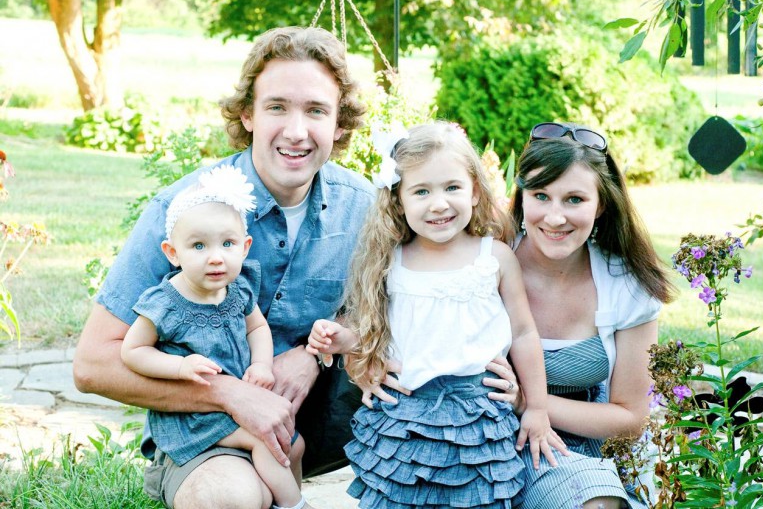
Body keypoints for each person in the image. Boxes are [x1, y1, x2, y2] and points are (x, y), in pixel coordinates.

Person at [73, 26, 374, 509]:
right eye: (277, 107)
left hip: (323, 429)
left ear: (340, 123)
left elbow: (409, 305)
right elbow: (92, 365)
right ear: (247, 114)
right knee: (229, 498)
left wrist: (312, 354)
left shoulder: (364, 207)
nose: (296, 131)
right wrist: (230, 394)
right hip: (211, 434)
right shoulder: (184, 212)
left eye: (316, 110)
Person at [307, 121, 563, 509]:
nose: (439, 203)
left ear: (474, 191)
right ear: (398, 200)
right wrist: (341, 339)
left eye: (452, 188)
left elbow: (525, 333)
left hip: (479, 416)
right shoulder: (390, 261)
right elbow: (377, 327)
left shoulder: (493, 257)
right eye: (421, 191)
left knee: (478, 498)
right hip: (404, 415)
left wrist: (537, 407)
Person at [486, 122, 676, 509]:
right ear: (522, 197)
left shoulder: (625, 284)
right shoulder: (486, 261)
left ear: (601, 204)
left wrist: (528, 402)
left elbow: (631, 418)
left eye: (574, 199)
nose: (555, 217)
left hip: (579, 442)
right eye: (541, 195)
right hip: (487, 434)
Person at [120, 165, 315, 509]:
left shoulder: (237, 289)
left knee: (294, 444)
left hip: (237, 406)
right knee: (265, 441)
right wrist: (179, 367)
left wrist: (262, 365)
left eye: (228, 244)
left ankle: (282, 498)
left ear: (245, 247)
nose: (215, 257)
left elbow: (257, 328)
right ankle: (296, 506)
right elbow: (133, 351)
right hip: (194, 417)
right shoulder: (165, 303)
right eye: (198, 246)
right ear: (172, 252)